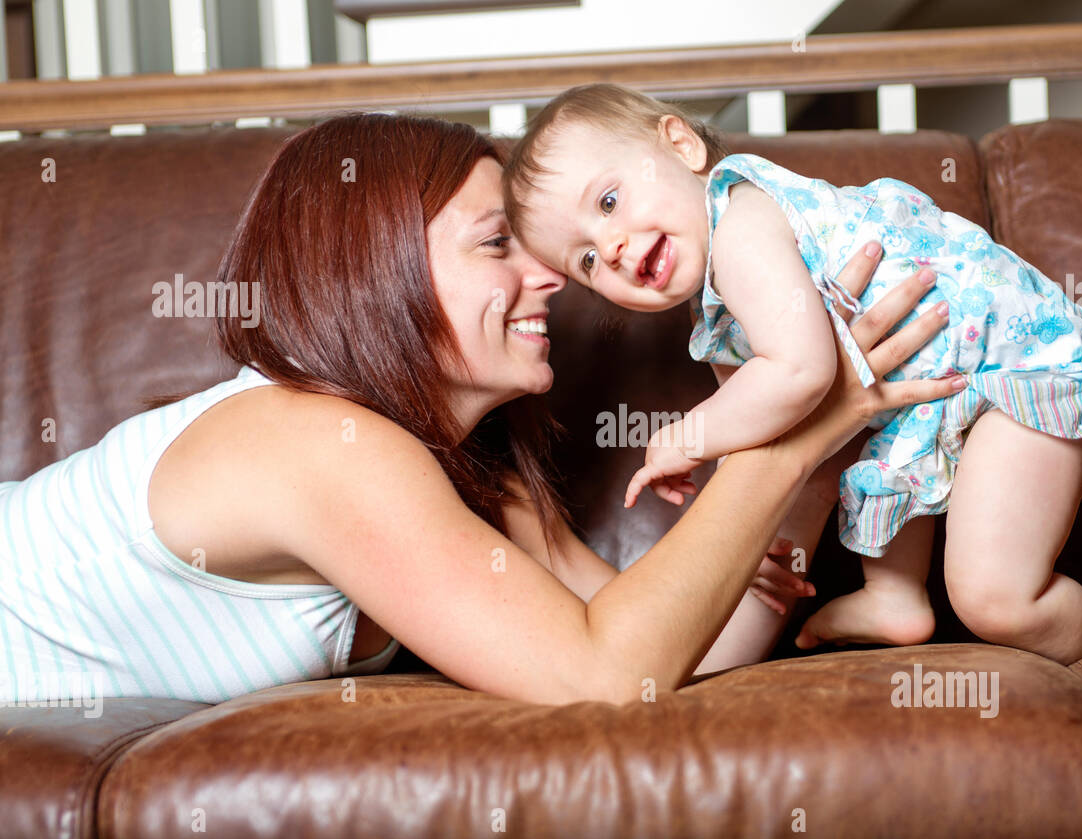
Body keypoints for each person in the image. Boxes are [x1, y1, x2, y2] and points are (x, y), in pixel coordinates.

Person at [0, 112, 963, 708]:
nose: (549, 276)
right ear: (373, 267)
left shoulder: (471, 466)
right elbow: (601, 679)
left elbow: (677, 654)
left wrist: (824, 442)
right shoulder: (310, 442)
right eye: (497, 242)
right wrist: (786, 440)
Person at [501, 82, 1082, 666]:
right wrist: (727, 499)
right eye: (585, 259)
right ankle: (894, 596)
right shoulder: (721, 321)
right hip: (944, 394)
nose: (609, 248)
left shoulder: (741, 222)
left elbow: (803, 373)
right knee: (878, 444)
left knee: (994, 596)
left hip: (1010, 367)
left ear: (680, 145)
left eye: (609, 201)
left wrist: (683, 436)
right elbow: (777, 428)